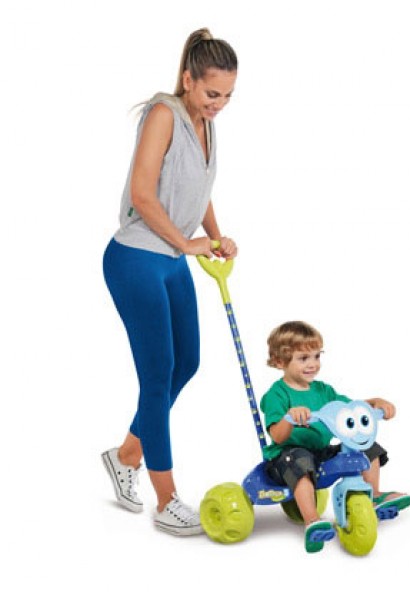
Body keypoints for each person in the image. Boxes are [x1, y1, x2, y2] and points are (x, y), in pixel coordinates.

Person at [101, 28, 238, 536]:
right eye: (212, 93)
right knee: (157, 375)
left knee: (187, 363)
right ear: (188, 79)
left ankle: (125, 454)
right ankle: (166, 501)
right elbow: (143, 193)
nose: (219, 104)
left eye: (228, 95)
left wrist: (216, 237)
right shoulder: (164, 114)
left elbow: (198, 187)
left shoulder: (206, 124)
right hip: (137, 256)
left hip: (172, 258)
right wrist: (187, 243)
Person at [260, 321, 410, 552]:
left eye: (316, 356)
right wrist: (290, 418)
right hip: (285, 456)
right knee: (299, 460)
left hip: (321, 453)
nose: (313, 364)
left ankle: (374, 496)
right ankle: (312, 521)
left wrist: (374, 403)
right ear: (280, 362)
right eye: (303, 358)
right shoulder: (276, 394)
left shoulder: (323, 390)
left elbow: (349, 408)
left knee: (365, 447)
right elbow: (278, 436)